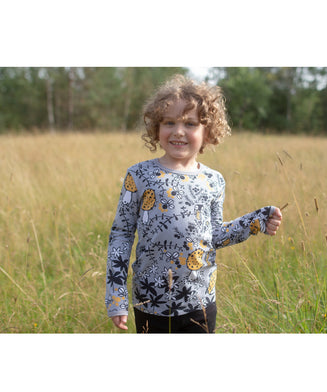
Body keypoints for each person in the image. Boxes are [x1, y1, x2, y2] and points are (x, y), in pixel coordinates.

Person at [105, 74, 282, 333]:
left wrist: (256, 222)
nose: (178, 131)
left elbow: (215, 236)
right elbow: (121, 235)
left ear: (208, 132)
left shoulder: (213, 181)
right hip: (150, 302)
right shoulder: (139, 176)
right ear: (156, 127)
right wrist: (116, 297)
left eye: (190, 123)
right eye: (169, 122)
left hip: (200, 301)